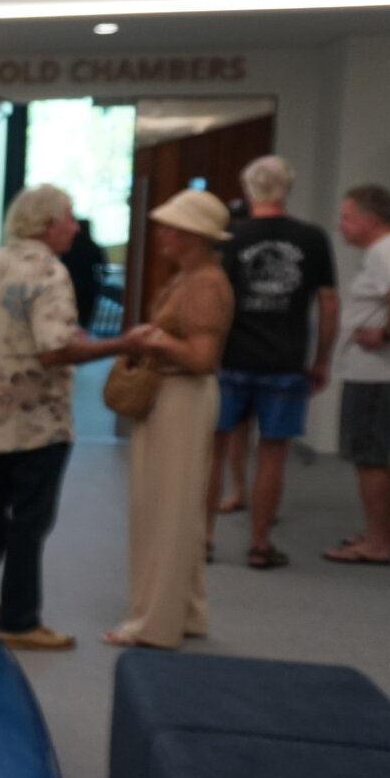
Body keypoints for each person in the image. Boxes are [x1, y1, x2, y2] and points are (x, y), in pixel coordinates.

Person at [0, 185, 134, 652]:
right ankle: (19, 621)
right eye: (69, 218)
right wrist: (124, 343)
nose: (75, 227)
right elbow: (56, 350)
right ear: (46, 224)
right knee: (30, 519)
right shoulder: (49, 272)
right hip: (38, 416)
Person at [105, 190, 235, 649]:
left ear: (195, 235)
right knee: (172, 507)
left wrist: (151, 341)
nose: (162, 234)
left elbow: (202, 357)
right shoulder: (191, 276)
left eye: (171, 228)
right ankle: (185, 612)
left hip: (181, 395)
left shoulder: (204, 283)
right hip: (173, 394)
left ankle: (155, 624)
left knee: (167, 509)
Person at [210, 156, 338, 569]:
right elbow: (329, 303)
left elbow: (213, 299)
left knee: (213, 451)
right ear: (288, 188)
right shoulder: (313, 238)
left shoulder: (229, 237)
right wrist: (321, 359)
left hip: (230, 360)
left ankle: (203, 539)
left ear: (249, 189)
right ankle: (260, 544)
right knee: (272, 454)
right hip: (286, 361)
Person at [324, 184, 390, 565]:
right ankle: (386, 534)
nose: (340, 225)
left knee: (369, 458)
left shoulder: (386, 250)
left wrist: (386, 334)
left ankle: (377, 544)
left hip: (377, 373)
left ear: (369, 219)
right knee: (378, 457)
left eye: (347, 217)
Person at [57, 217, 107, 330]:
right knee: (85, 317)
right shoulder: (93, 246)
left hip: (70, 283)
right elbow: (102, 264)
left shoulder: (68, 248)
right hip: (88, 286)